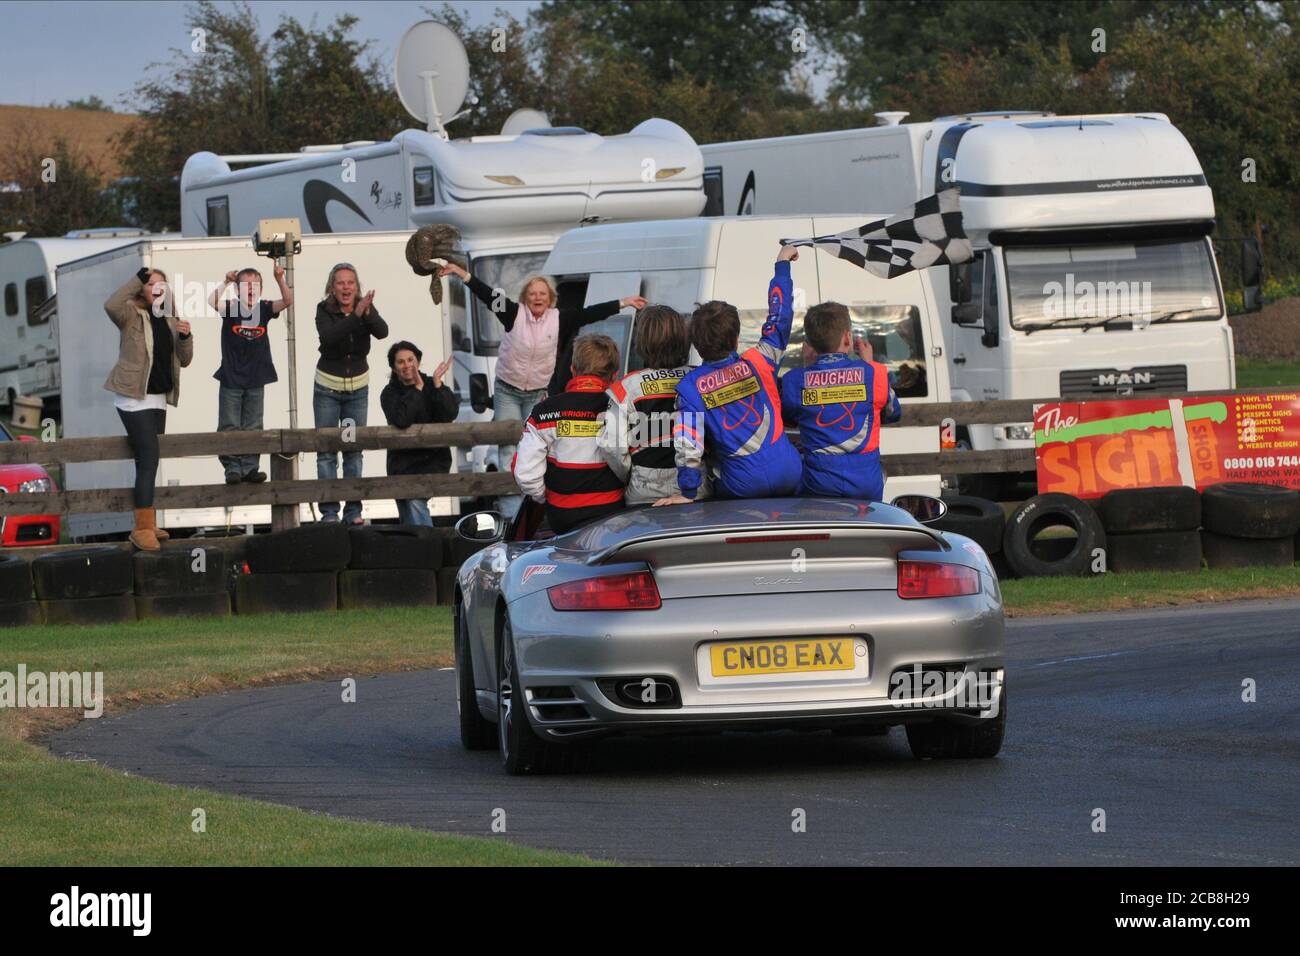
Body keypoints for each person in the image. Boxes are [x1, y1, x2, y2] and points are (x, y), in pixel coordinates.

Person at [435, 261, 644, 514]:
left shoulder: (559, 319)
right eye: (532, 293)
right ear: (525, 298)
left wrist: (624, 302)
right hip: (508, 391)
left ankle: (536, 504)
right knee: (509, 448)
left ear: (550, 299)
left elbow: (590, 313)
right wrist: (462, 273)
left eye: (542, 294)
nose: (537, 297)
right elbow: (488, 295)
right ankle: (512, 512)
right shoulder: (512, 313)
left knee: (537, 446)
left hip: (537, 391)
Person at [664, 247, 803, 504]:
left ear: (695, 344)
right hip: (789, 472)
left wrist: (688, 492)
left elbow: (688, 445)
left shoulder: (690, 388)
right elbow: (780, 318)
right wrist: (782, 265)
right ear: (737, 338)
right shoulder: (760, 360)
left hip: (741, 485)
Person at [103, 267, 193, 550]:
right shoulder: (129, 314)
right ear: (141, 289)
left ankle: (148, 521)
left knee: (147, 463)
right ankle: (141, 528)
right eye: (150, 283)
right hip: (133, 397)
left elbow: (185, 360)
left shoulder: (170, 317)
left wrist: (186, 337)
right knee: (149, 456)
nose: (156, 287)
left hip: (157, 398)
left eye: (161, 283)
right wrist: (139, 277)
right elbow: (110, 304)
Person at [779, 302, 902, 501]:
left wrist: (808, 368)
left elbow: (789, 419)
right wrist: (868, 364)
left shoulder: (794, 380)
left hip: (818, 485)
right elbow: (893, 413)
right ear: (847, 337)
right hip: (866, 485)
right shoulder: (875, 374)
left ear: (809, 342)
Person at [513, 334, 626, 534]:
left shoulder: (543, 411)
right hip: (613, 515)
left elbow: (526, 474)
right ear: (615, 375)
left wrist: (547, 497)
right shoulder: (623, 409)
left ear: (573, 370)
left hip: (562, 518)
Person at [600, 304, 706, 504]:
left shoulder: (626, 387)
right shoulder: (700, 379)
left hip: (644, 492)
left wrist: (632, 474)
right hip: (695, 491)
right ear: (684, 339)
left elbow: (612, 447)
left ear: (643, 343)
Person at [313, 262, 388, 524]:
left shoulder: (365, 308)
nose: (346, 287)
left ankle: (353, 511)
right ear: (332, 288)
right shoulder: (324, 310)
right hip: (327, 389)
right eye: (341, 282)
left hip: (357, 390)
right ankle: (330, 513)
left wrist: (366, 314)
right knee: (326, 451)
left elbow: (383, 332)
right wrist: (355, 315)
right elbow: (329, 338)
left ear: (357, 287)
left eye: (350, 282)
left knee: (353, 449)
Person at [207, 263, 291, 484]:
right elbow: (211, 302)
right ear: (237, 290)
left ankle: (251, 467)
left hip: (257, 376)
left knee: (253, 424)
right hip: (231, 376)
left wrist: (279, 278)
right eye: (245, 285)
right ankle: (232, 468)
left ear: (261, 289)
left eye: (255, 285)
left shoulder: (264, 308)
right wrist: (226, 281)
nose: (251, 289)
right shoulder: (232, 308)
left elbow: (288, 301)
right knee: (230, 424)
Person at [379, 340, 458, 526]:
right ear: (393, 367)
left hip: (433, 461)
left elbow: (450, 414)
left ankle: (429, 549)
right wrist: (417, 390)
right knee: (407, 514)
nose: (407, 365)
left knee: (414, 500)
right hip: (402, 464)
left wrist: (438, 385)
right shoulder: (389, 393)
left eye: (410, 360)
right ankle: (415, 551)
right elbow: (401, 420)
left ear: (418, 362)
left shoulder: (432, 384)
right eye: (401, 362)